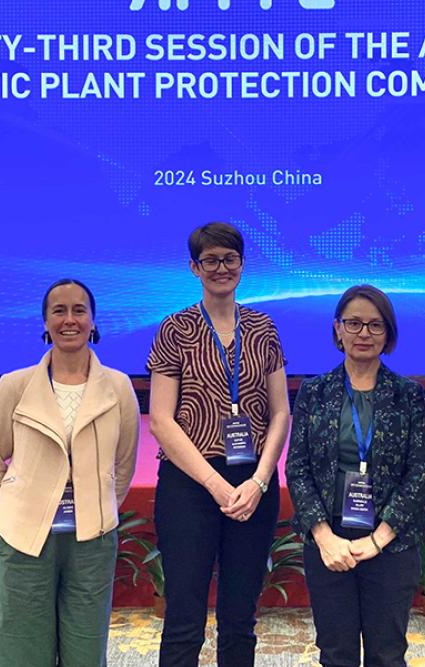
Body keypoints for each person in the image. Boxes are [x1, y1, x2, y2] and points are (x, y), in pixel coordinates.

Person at [147, 222, 290, 667]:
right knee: (184, 616)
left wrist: (259, 482)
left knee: (240, 618)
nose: (221, 268)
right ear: (194, 268)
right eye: (210, 260)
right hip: (190, 484)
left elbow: (281, 413)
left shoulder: (263, 328)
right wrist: (215, 484)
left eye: (230, 259)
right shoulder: (176, 329)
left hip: (252, 486)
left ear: (243, 266)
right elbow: (160, 419)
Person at [0, 278, 140, 667]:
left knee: (85, 645)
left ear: (93, 321)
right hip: (26, 536)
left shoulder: (118, 388)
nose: (70, 320)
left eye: (79, 310)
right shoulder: (14, 385)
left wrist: (98, 505)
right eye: (59, 311)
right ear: (46, 322)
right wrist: (24, 502)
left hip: (92, 538)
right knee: (20, 648)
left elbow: (124, 464)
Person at [286, 284, 425, 667]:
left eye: (375, 325)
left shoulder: (407, 394)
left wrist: (379, 539)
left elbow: (420, 471)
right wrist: (323, 537)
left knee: (387, 655)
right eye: (353, 323)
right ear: (338, 329)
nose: (363, 334)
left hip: (390, 546)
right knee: (336, 654)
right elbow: (297, 468)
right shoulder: (314, 392)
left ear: (388, 334)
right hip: (329, 544)